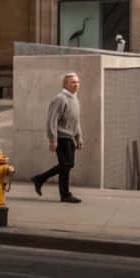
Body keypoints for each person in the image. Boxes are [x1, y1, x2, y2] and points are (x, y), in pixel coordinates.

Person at [32, 72, 85, 203]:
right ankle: (41, 179)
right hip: (61, 137)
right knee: (67, 165)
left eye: (77, 82)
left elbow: (75, 121)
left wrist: (79, 138)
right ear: (65, 84)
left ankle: (64, 194)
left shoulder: (74, 98)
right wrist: (53, 139)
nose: (76, 85)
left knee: (66, 166)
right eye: (73, 82)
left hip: (70, 137)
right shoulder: (60, 99)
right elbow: (52, 120)